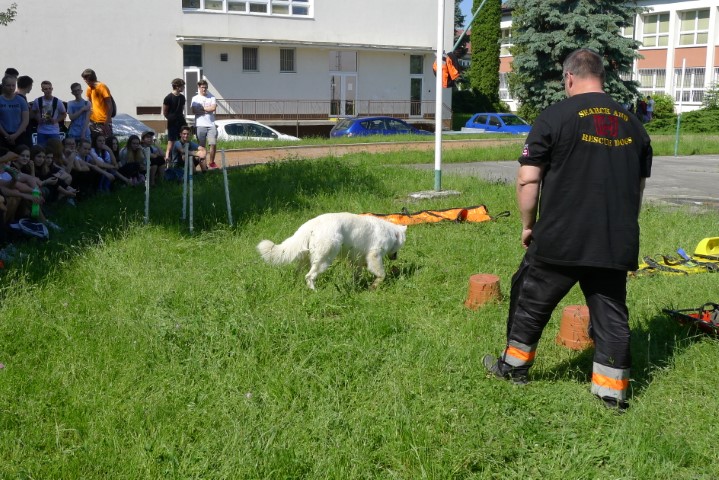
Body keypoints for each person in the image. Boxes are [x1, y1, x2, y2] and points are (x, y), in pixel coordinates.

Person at [482, 48, 653, 411]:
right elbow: (637, 188)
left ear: (570, 77)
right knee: (611, 315)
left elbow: (528, 179)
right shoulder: (634, 124)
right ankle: (611, 393)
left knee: (530, 303)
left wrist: (528, 225)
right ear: (601, 77)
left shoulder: (555, 116)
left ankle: (513, 368)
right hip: (613, 240)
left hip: (560, 237)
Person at [190, 79, 218, 169]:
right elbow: (194, 110)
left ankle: (212, 162)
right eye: (202, 87)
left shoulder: (212, 97)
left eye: (205, 87)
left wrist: (202, 108)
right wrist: (207, 109)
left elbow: (213, 108)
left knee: (213, 143)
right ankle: (203, 165)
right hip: (200, 125)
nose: (204, 89)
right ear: (199, 88)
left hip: (211, 125)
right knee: (202, 147)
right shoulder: (195, 98)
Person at [30, 81, 67, 147]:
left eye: (49, 88)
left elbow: (64, 114)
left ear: (52, 89)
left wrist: (56, 120)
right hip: (41, 131)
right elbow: (32, 113)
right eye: (46, 89)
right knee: (41, 150)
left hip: (54, 131)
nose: (48, 91)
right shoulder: (37, 101)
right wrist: (38, 119)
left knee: (55, 150)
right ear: (42, 90)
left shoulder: (57, 101)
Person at [81, 68, 113, 138]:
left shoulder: (102, 87)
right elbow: (89, 104)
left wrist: (107, 121)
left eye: (85, 79)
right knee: (94, 141)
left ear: (90, 78)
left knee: (105, 140)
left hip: (103, 121)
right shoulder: (89, 88)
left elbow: (109, 105)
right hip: (93, 121)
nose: (84, 81)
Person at [0, 75, 29, 150]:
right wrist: (6, 135)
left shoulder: (21, 100)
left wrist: (16, 135)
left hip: (19, 135)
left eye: (13, 85)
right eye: (8, 85)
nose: (11, 88)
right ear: (3, 86)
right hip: (2, 135)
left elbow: (25, 120)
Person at [162, 78, 187, 163]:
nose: (183, 88)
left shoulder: (182, 97)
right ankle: (167, 160)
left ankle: (182, 160)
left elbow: (182, 109)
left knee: (184, 140)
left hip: (181, 121)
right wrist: (171, 118)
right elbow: (165, 112)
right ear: (177, 86)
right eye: (182, 86)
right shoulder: (168, 98)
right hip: (172, 123)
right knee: (171, 142)